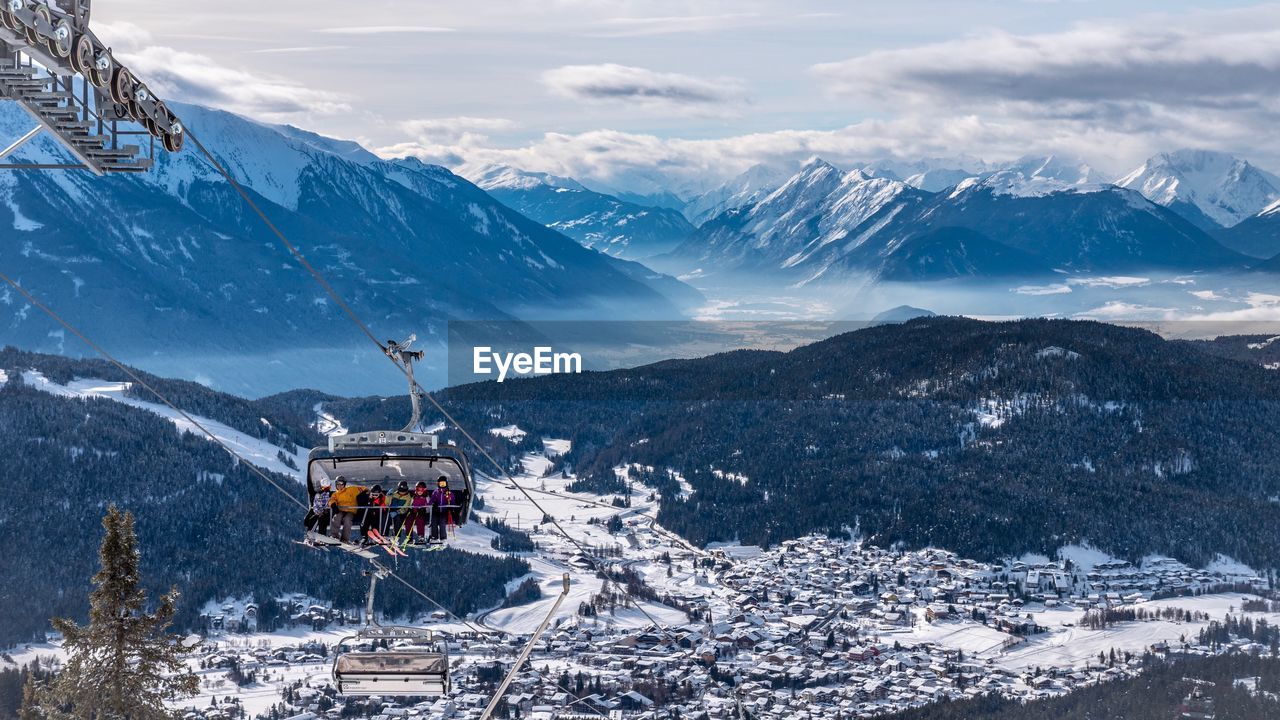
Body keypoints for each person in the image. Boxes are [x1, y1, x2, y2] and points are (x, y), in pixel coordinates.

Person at [328, 476, 361, 543]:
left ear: (344, 484)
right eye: (338, 484)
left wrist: (367, 492)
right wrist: (333, 505)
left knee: (347, 520)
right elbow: (331, 500)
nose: (339, 486)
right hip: (340, 510)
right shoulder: (335, 494)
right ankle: (334, 536)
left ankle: (344, 539)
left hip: (350, 511)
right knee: (336, 517)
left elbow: (362, 489)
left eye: (341, 484)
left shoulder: (351, 490)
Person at [428, 476, 455, 543]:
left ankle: (443, 538)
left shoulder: (449, 493)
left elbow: (452, 502)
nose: (442, 486)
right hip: (437, 511)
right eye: (441, 484)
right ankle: (434, 537)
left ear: (446, 484)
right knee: (433, 520)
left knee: (442, 521)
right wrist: (433, 503)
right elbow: (431, 501)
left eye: (444, 484)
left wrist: (450, 508)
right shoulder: (436, 492)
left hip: (445, 512)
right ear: (438, 484)